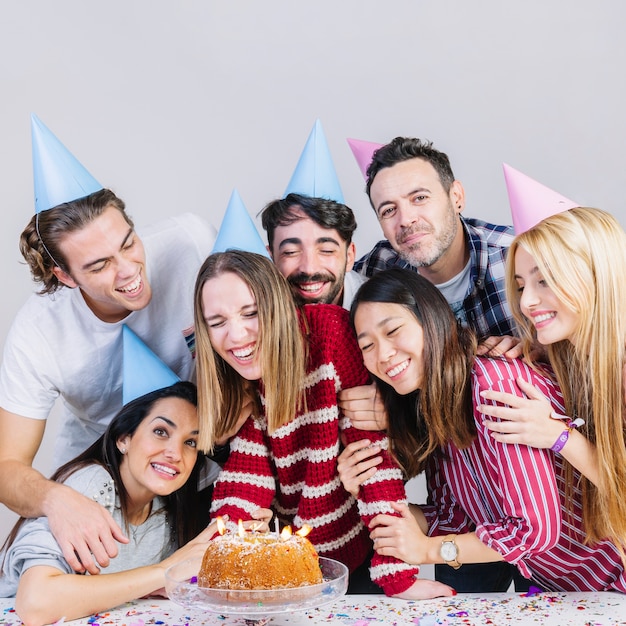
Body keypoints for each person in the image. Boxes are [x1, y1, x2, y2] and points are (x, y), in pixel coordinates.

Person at [340, 268, 626, 593]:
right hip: (559, 593)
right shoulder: (434, 403)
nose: (383, 354)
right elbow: (455, 517)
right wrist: (368, 493)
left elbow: (535, 531)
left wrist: (428, 550)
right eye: (367, 346)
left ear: (431, 321)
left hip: (613, 586)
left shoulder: (492, 386)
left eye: (392, 331)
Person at [193, 250, 453, 599]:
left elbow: (373, 459)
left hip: (355, 552)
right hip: (291, 569)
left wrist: (396, 573)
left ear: (276, 303)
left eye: (251, 313)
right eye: (217, 322)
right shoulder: (235, 379)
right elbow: (243, 486)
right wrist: (229, 566)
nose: (236, 335)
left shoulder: (328, 335)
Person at [0, 189, 217, 575]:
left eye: (129, 243)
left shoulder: (190, 243)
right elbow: (6, 466)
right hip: (100, 484)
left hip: (194, 465)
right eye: (99, 265)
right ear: (64, 276)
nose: (128, 270)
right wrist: (57, 499)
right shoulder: (39, 332)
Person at [0, 382, 224, 624]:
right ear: (124, 439)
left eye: (190, 442)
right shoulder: (94, 485)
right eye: (161, 431)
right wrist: (163, 572)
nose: (175, 453)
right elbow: (36, 604)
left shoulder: (170, 509)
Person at [479, 206, 626, 548]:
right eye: (521, 285)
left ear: (594, 274)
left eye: (544, 279)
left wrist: (558, 436)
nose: (527, 301)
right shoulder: (574, 356)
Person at [260, 193, 366, 309]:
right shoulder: (255, 309)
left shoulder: (381, 308)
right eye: (291, 252)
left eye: (327, 250)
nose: (309, 269)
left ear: (349, 257)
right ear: (271, 258)